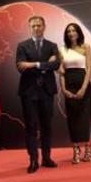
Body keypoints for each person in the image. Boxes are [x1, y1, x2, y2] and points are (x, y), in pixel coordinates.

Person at [16, 16, 60, 173]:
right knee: (31, 127)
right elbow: (20, 67)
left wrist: (33, 64)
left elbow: (56, 64)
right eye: (33, 26)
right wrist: (45, 64)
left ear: (44, 26)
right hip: (29, 92)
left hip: (47, 91)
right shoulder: (22, 46)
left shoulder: (52, 45)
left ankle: (46, 157)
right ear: (29, 27)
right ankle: (33, 159)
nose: (36, 28)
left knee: (47, 126)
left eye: (39, 25)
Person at [58, 23, 91, 164]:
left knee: (85, 118)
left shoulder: (86, 47)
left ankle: (88, 149)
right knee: (73, 119)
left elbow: (89, 68)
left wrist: (84, 88)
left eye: (74, 30)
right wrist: (63, 89)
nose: (71, 33)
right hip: (69, 85)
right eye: (69, 31)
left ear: (78, 32)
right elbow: (61, 72)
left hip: (83, 85)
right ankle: (76, 150)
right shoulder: (62, 50)